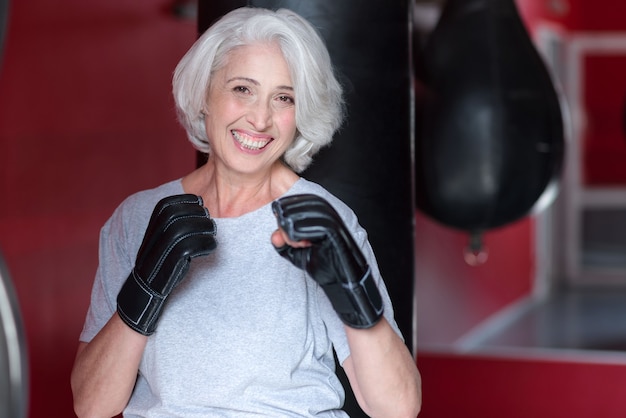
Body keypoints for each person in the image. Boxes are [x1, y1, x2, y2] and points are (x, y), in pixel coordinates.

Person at [70, 6, 421, 418]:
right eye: (242, 89)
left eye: (283, 97)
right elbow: (91, 405)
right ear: (205, 94)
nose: (260, 118)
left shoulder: (319, 222)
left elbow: (398, 408)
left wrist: (355, 294)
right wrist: (142, 292)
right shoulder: (137, 217)